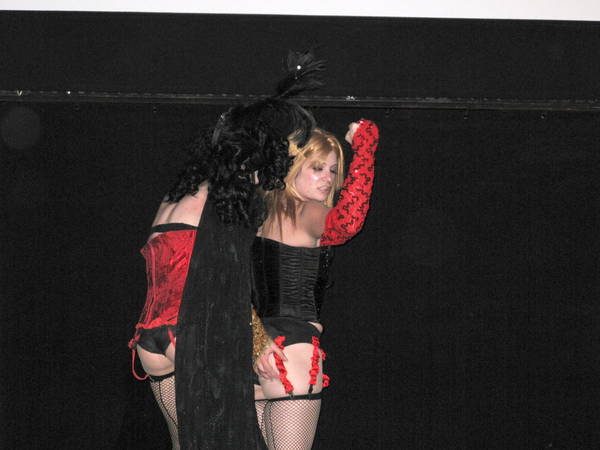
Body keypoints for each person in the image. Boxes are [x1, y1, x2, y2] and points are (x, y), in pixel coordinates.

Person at [128, 51, 326, 449]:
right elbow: (227, 284)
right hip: (190, 334)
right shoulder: (227, 202)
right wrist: (259, 341)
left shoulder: (179, 194)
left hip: (151, 341)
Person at [252, 119, 380, 449]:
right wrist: (365, 146)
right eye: (318, 168)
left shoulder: (262, 216)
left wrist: (256, 339)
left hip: (257, 354)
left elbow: (234, 288)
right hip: (292, 352)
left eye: (333, 171)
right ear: (293, 167)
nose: (328, 179)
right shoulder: (307, 210)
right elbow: (348, 221)